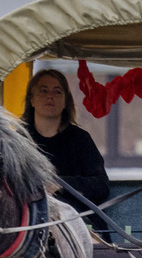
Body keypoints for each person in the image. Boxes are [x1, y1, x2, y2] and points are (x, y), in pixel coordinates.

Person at [22, 68, 111, 217]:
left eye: (57, 92)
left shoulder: (80, 139)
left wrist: (60, 184)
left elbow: (101, 187)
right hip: (30, 220)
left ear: (66, 102)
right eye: (43, 91)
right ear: (31, 99)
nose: (50, 96)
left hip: (79, 220)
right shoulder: (18, 140)